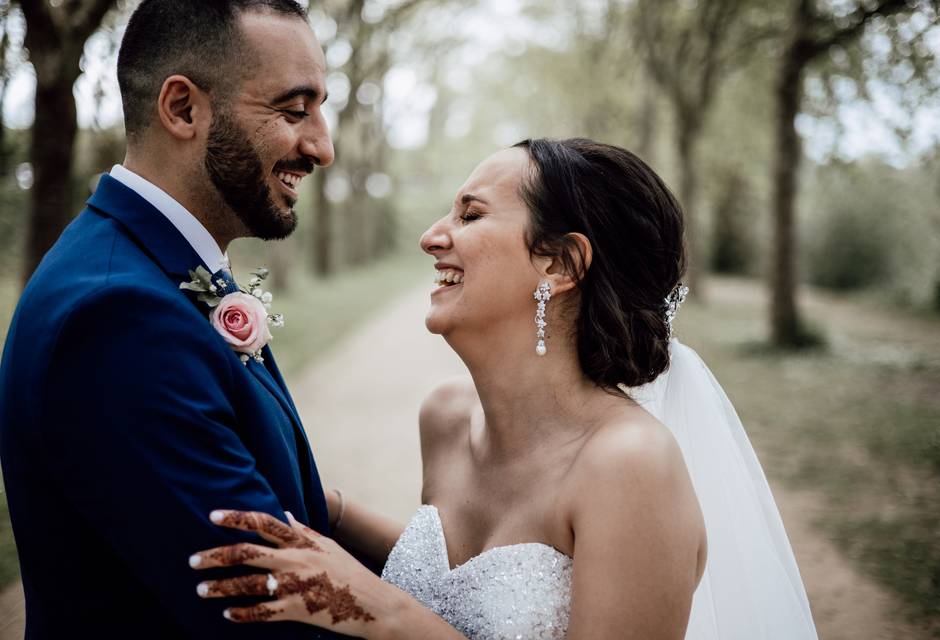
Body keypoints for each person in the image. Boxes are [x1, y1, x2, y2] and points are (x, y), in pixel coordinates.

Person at [188, 139, 819, 639]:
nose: (431, 236)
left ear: (559, 264)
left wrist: (375, 612)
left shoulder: (629, 466)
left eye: (470, 213)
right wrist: (317, 505)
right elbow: (450, 587)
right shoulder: (445, 418)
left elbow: (414, 611)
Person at [0, 1, 350, 637]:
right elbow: (269, 617)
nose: (321, 146)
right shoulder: (115, 316)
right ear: (183, 108)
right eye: (294, 110)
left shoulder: (151, 271)